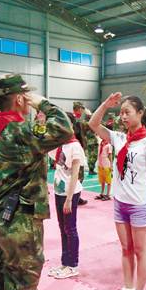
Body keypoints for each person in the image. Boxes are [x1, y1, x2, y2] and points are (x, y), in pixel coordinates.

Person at [0, 73, 73, 290]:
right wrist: (43, 103)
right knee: (21, 289)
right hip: (20, 222)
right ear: (20, 98)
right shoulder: (21, 132)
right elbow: (65, 128)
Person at [88, 93, 146, 290]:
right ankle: (128, 288)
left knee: (141, 250)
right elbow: (93, 124)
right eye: (121, 113)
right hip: (120, 202)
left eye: (127, 112)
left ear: (140, 114)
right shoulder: (119, 138)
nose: (123, 117)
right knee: (125, 248)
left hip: (139, 203)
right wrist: (106, 105)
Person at [47, 113, 86, 279]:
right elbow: (45, 148)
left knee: (70, 228)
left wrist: (69, 199)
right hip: (58, 191)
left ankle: (72, 265)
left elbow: (75, 174)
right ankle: (65, 263)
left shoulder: (75, 146)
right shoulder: (60, 144)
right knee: (62, 229)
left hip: (70, 193)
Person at [72, 102, 90, 205]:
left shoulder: (72, 119)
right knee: (79, 175)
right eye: (82, 108)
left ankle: (76, 197)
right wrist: (89, 116)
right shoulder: (77, 121)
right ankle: (75, 198)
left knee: (75, 174)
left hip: (74, 149)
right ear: (78, 109)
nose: (83, 110)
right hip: (77, 150)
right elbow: (91, 125)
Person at [96, 133, 113, 201]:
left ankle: (108, 194)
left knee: (108, 181)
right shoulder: (101, 143)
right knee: (102, 180)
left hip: (106, 165)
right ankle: (102, 193)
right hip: (100, 164)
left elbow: (110, 155)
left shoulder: (108, 145)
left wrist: (111, 165)